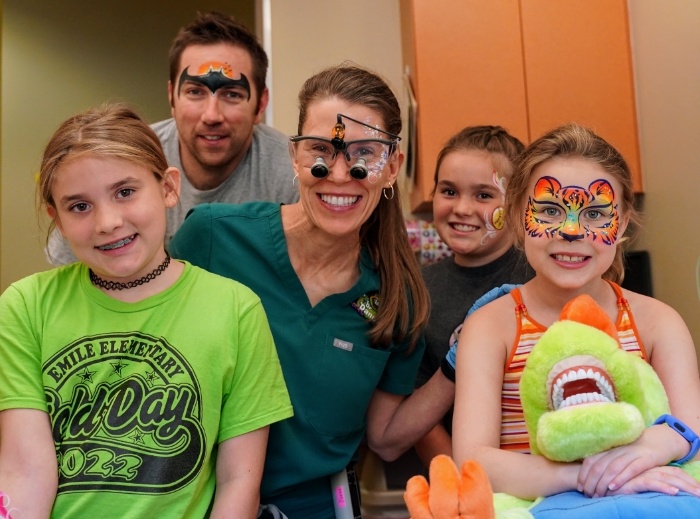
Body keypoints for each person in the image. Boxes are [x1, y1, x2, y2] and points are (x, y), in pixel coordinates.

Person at [169, 63, 456, 519]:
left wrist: (459, 363)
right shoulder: (211, 239)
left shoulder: (395, 299)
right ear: (295, 156)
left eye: (365, 154)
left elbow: (384, 436)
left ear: (392, 167)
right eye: (322, 150)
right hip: (196, 502)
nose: (339, 174)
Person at [0, 104, 293, 518]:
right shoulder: (24, 306)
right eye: (79, 206)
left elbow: (238, 483)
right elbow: (23, 473)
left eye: (125, 191)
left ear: (168, 188)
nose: (107, 222)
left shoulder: (236, 310)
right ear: (57, 220)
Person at [452, 123, 700, 501]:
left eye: (597, 215)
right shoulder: (490, 326)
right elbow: (472, 461)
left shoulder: (657, 321)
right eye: (550, 210)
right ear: (518, 215)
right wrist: (600, 476)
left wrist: (652, 448)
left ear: (623, 225)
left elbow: (691, 426)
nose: (571, 231)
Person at [46, 11, 298, 265]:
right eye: (195, 92)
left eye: (232, 94)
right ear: (171, 97)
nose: (212, 115)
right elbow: (70, 271)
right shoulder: (131, 156)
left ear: (261, 103)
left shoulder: (293, 172)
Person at [413, 125, 534, 467]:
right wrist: (469, 484)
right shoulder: (419, 291)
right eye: (448, 191)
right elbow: (421, 418)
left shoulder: (544, 276)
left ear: (516, 202)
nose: (462, 208)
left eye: (483, 195)